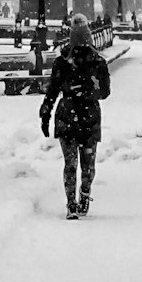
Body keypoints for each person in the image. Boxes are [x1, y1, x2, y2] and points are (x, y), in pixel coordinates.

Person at [39, 13, 111, 218]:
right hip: (89, 116)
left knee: (70, 163)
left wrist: (46, 112)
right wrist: (90, 91)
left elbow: (53, 89)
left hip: (67, 115)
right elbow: (105, 92)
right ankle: (84, 194)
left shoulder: (62, 61)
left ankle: (71, 202)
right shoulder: (98, 62)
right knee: (88, 164)